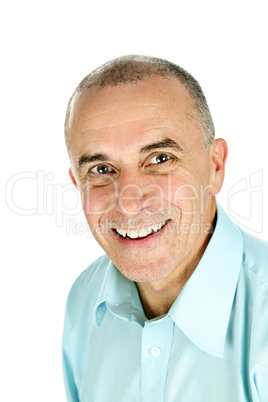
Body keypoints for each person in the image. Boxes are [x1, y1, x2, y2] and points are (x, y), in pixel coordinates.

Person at [62, 55, 268, 402]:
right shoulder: (84, 301)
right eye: (100, 169)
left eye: (160, 159)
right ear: (77, 183)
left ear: (215, 166)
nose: (128, 202)